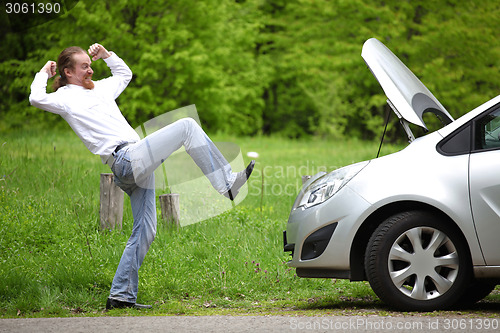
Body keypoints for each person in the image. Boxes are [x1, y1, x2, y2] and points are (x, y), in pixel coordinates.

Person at [29, 43, 255, 310]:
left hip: (133, 163)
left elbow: (124, 75)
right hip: (125, 160)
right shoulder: (65, 98)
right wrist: (44, 72)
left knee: (145, 230)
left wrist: (107, 56)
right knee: (187, 126)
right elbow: (35, 98)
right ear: (67, 72)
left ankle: (120, 296)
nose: (90, 69)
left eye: (90, 65)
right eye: (84, 66)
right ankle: (227, 184)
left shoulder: (100, 88)